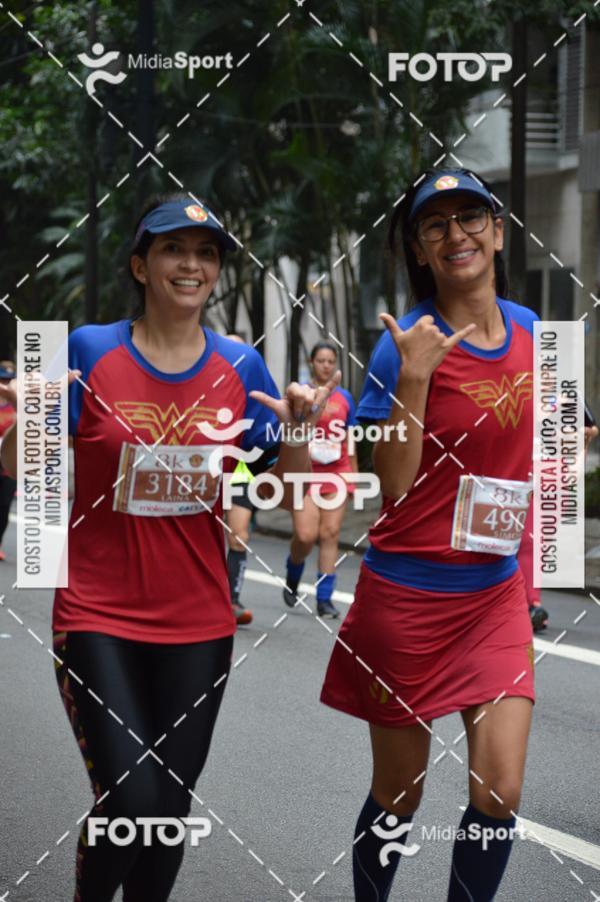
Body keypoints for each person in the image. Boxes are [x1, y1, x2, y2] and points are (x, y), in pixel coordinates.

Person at [0, 192, 340, 902]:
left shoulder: (241, 366)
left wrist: (302, 432)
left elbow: (282, 476)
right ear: (141, 264)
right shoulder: (91, 351)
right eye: (173, 249)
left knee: (170, 812)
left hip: (199, 623)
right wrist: (28, 414)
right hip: (98, 615)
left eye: (206, 252)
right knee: (133, 801)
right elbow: (15, 465)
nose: (192, 264)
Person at [320, 168, 563, 901]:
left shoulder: (537, 336)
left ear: (497, 229)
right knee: (400, 797)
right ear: (420, 251)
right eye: (435, 225)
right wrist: (415, 381)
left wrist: (533, 581)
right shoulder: (404, 346)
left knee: (502, 790)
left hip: (494, 596)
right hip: (407, 601)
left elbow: (536, 465)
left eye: (469, 217)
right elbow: (394, 486)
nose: (455, 234)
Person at [282, 341, 358, 618]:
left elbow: (349, 439)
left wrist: (353, 477)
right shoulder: (300, 393)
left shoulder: (345, 398)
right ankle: (293, 569)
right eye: (321, 360)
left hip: (337, 472)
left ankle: (324, 599)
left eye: (331, 361)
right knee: (305, 535)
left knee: (330, 534)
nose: (326, 366)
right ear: (311, 362)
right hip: (305, 473)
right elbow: (287, 432)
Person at [223, 334, 258, 627]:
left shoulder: (252, 389)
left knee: (238, 536)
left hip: (239, 474)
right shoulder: (197, 385)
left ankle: (231, 600)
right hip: (200, 474)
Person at [0, 361, 17, 561]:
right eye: (2, 379)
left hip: (8, 466)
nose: (5, 384)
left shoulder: (17, 408)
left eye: (9, 380)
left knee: (4, 506)